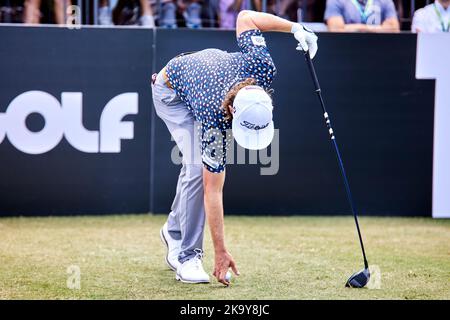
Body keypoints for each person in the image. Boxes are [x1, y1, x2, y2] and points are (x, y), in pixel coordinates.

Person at [152, 9, 318, 285]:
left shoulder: (263, 68)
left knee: (195, 166)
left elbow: (245, 17)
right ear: (230, 110)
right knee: (196, 168)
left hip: (200, 74)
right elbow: (212, 188)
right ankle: (187, 256)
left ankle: (173, 230)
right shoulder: (214, 116)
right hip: (170, 93)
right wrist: (221, 252)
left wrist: (296, 28)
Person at [324, 0, 400, 32]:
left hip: (378, 48)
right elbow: (335, 30)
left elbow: (394, 29)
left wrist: (349, 27)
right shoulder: (336, 0)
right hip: (346, 48)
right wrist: (379, 28)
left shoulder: (385, 1)